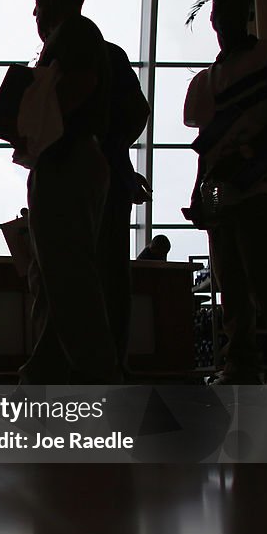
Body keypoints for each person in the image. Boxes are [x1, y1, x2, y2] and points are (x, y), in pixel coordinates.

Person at [184, 0, 267, 384]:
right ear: (214, 18)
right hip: (223, 187)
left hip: (260, 182)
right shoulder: (205, 81)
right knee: (230, 280)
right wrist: (200, 189)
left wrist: (250, 157)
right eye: (222, 11)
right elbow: (206, 145)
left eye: (235, 9)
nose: (226, 19)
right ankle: (241, 362)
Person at [18, 0, 118, 384]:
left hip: (66, 158)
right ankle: (50, 367)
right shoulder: (77, 36)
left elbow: (80, 85)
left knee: (67, 273)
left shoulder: (74, 34)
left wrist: (39, 123)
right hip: (66, 157)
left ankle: (94, 372)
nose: (35, 10)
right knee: (54, 273)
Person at [99, 42, 151, 374]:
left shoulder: (57, 57)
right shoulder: (109, 55)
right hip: (113, 177)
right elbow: (138, 111)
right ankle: (113, 362)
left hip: (101, 179)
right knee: (113, 275)